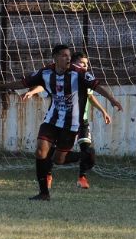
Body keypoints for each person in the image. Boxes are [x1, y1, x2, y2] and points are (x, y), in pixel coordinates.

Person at [0, 44, 122, 201]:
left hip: (71, 123)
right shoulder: (46, 72)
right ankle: (44, 193)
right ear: (56, 57)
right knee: (40, 151)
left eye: (69, 55)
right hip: (51, 120)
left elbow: (97, 87)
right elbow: (23, 83)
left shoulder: (79, 73)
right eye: (64, 55)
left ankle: (85, 155)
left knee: (58, 159)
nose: (68, 58)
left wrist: (112, 100)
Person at [24, 52, 111, 189]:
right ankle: (48, 174)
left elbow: (90, 97)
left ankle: (82, 178)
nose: (86, 66)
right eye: (83, 63)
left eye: (87, 64)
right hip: (63, 122)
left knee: (85, 148)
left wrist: (104, 111)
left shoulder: (83, 77)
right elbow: (44, 83)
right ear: (75, 63)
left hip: (82, 122)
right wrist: (33, 91)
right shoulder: (67, 75)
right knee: (53, 149)